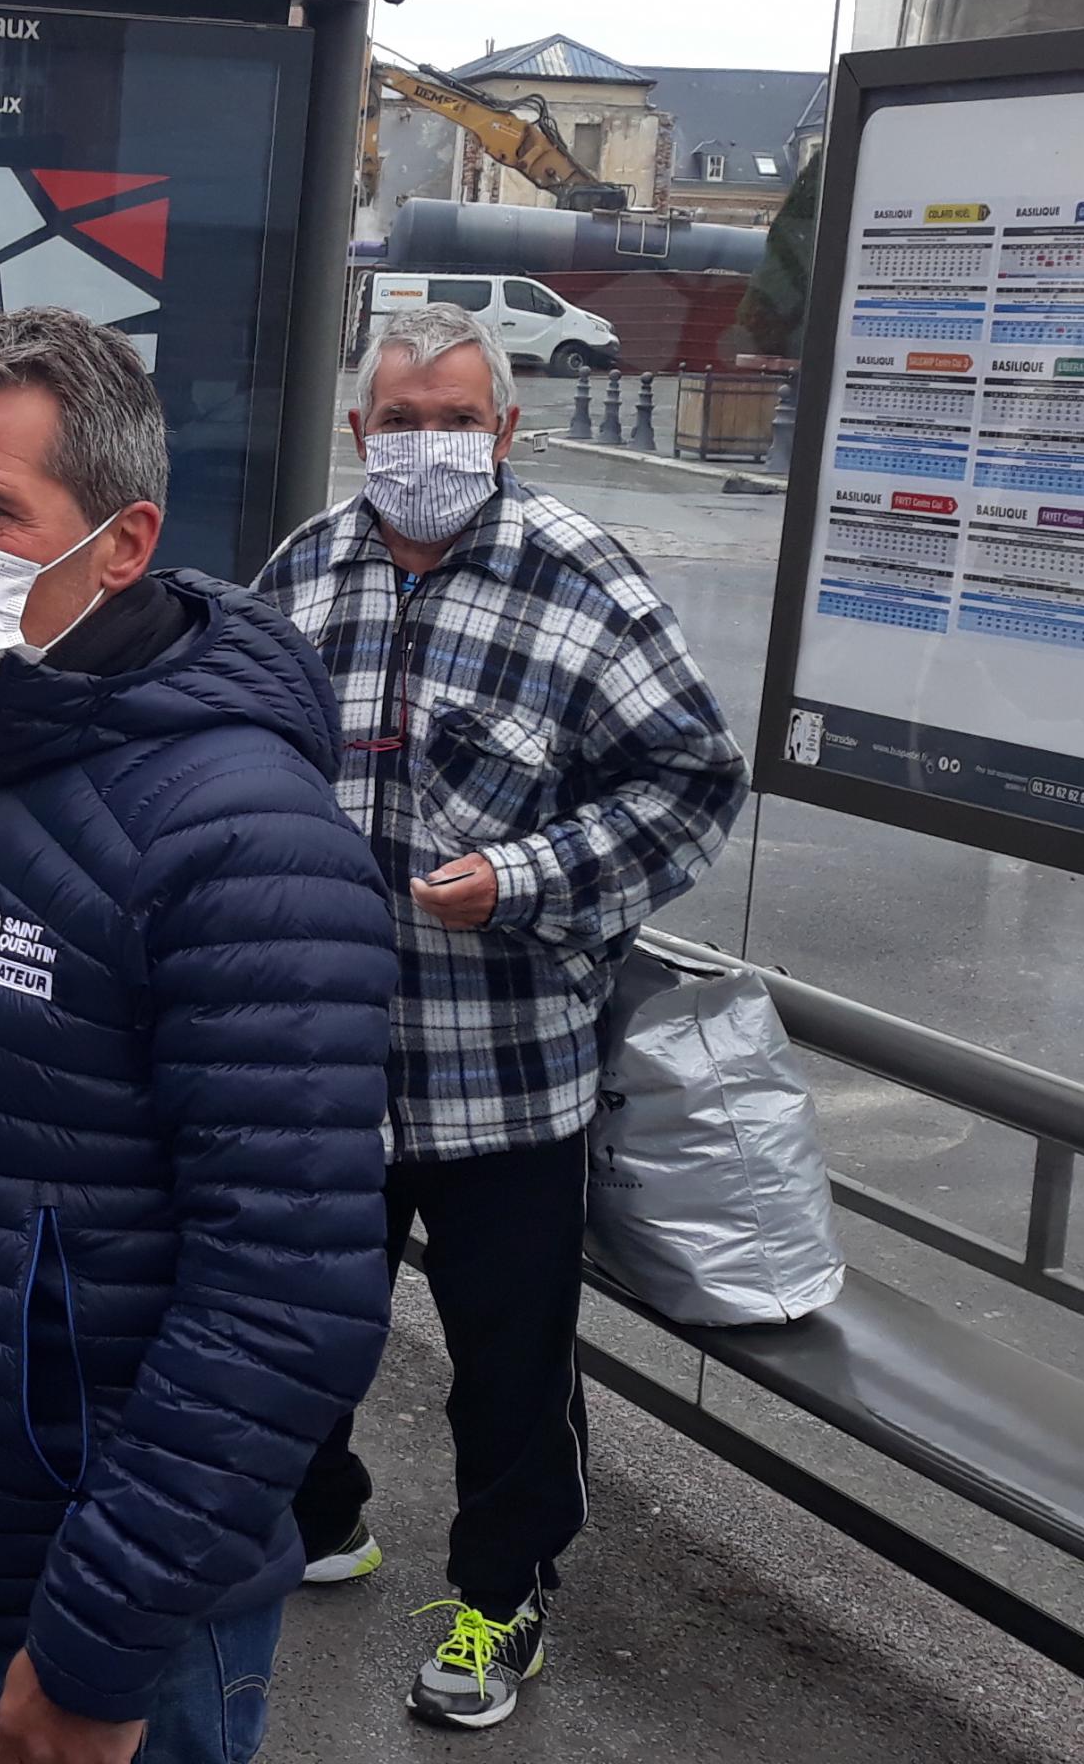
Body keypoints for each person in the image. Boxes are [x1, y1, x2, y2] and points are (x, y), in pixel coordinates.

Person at [0, 306, 396, 1764]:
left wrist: (100, 1644)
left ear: (120, 545)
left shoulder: (246, 842)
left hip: (100, 1607)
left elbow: (285, 1297)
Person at [256, 305, 746, 1731]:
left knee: (507, 1370)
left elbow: (685, 783)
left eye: (453, 419)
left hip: (502, 1081)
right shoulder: (305, 568)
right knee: (298, 1322)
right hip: (322, 1059)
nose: (425, 447)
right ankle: (318, 1517)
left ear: (507, 430)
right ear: (358, 434)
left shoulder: (580, 580)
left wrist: (529, 876)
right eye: (399, 421)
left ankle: (496, 1597)